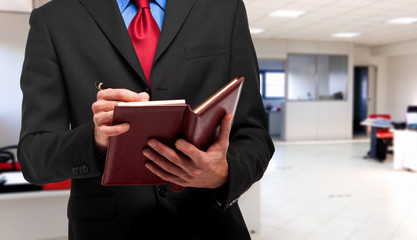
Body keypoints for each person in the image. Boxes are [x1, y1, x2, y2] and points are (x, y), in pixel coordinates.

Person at [18, 0, 275, 239]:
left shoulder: (224, 8)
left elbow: (255, 135)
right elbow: (34, 157)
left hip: (210, 227)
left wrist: (222, 173)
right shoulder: (53, 20)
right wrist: (94, 139)